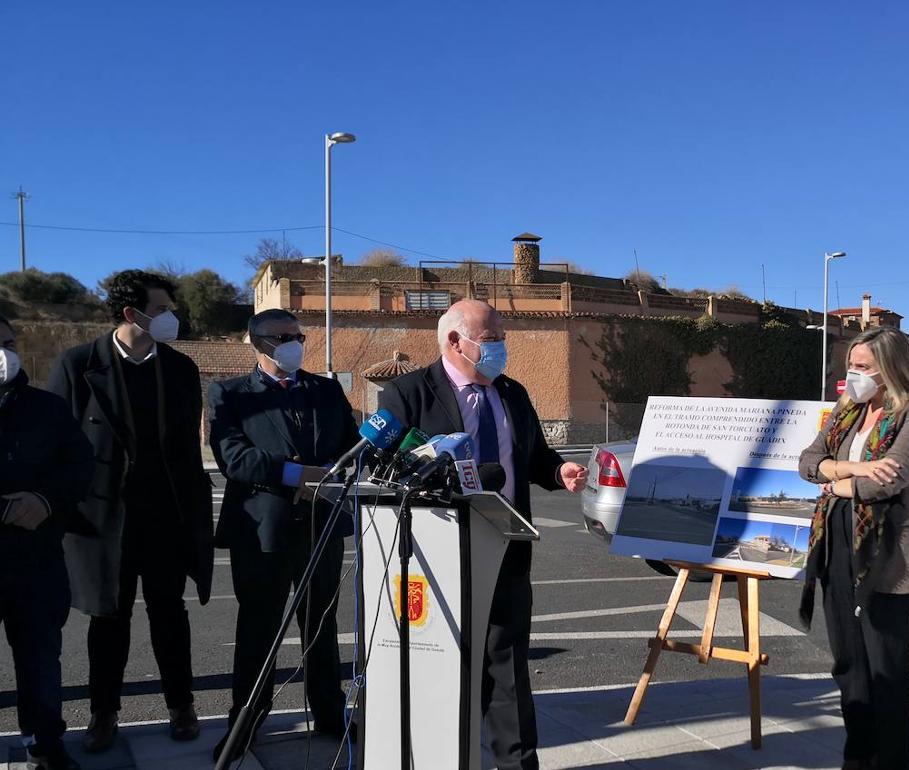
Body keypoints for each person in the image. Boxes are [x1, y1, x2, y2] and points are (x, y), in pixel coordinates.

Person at [379, 299, 587, 770]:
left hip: (506, 545)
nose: (501, 347)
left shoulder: (512, 392)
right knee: (439, 662)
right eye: (492, 339)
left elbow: (534, 456)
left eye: (502, 338)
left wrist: (560, 472)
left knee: (508, 664)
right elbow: (389, 471)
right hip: (437, 552)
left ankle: (516, 763)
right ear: (455, 341)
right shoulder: (408, 393)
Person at [47, 270, 213, 753]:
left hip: (167, 516)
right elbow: (58, 442)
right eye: (161, 309)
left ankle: (182, 705)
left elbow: (184, 446)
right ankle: (104, 714)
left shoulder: (179, 369)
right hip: (103, 521)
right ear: (131, 314)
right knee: (108, 620)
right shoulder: (79, 365)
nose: (171, 318)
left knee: (170, 614)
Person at [208, 308, 360, 763]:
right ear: (257, 343)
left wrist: (331, 473)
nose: (294, 342)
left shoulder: (326, 389)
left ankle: (331, 715)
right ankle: (246, 721)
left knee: (322, 625)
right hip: (262, 531)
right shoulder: (230, 394)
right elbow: (234, 458)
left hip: (321, 526)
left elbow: (351, 446)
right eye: (282, 336)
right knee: (259, 627)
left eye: (298, 335)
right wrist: (297, 474)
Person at [797, 326, 909, 770]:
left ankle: (892, 760)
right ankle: (857, 757)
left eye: (863, 368)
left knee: (886, 664)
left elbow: (892, 478)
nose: (853, 375)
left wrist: (836, 482)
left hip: (888, 549)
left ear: (891, 369)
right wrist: (854, 468)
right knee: (848, 661)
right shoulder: (848, 408)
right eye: (850, 366)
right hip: (836, 540)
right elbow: (806, 462)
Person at [0, 316, 94, 770]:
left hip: (36, 559)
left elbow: (79, 466)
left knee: (40, 658)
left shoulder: (47, 408)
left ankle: (46, 742)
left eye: (8, 343)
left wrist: (45, 499)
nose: (4, 353)